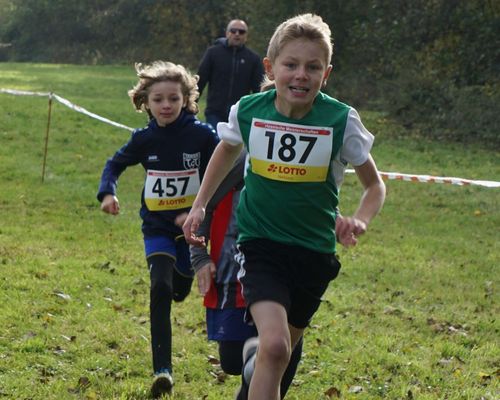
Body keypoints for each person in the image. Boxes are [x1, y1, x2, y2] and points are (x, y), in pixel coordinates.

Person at [183, 13, 386, 400]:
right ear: (270, 68)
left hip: (314, 253)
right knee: (275, 347)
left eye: (312, 67)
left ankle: (253, 363)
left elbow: (375, 186)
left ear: (326, 74)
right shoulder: (250, 110)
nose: (300, 75)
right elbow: (226, 151)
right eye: (290, 65)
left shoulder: (341, 120)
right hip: (261, 244)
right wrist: (200, 205)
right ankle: (257, 355)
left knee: (278, 354)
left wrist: (359, 219)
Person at [96, 61, 219, 399]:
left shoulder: (202, 135)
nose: (166, 106)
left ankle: (183, 277)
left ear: (186, 101)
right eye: (158, 100)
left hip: (193, 228)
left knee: (179, 288)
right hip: (157, 228)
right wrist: (108, 191)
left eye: (173, 99)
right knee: (160, 288)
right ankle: (162, 370)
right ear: (145, 103)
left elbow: (226, 167)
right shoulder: (144, 139)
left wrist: (203, 210)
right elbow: (114, 163)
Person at [189, 152, 303, 399]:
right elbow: (203, 206)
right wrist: (199, 256)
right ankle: (253, 363)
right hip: (234, 269)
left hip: (287, 266)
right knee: (232, 361)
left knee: (281, 349)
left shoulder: (307, 155)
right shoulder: (241, 160)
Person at [197, 19, 264, 129]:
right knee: (215, 144)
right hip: (215, 112)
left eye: (241, 32)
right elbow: (200, 80)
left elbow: (259, 88)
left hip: (239, 114)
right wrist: (190, 104)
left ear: (246, 36)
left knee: (236, 146)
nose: (237, 34)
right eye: (233, 31)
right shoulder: (213, 53)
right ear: (227, 33)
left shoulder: (253, 59)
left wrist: (261, 112)